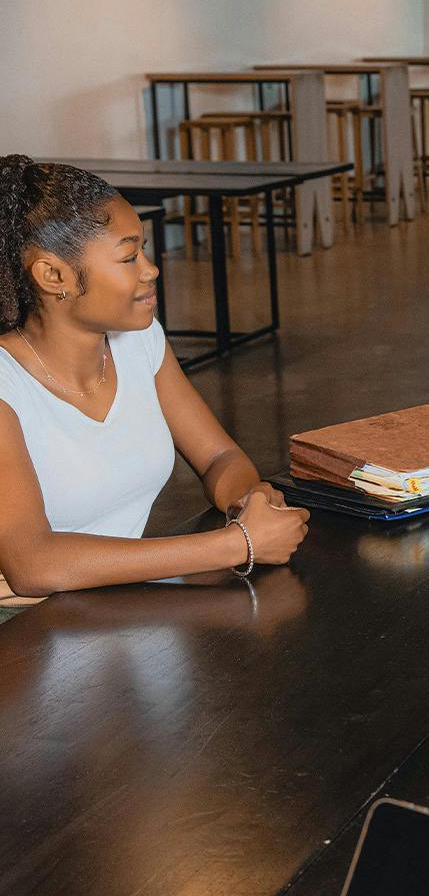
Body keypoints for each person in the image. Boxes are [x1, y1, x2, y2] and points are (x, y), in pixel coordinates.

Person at [0, 156, 308, 614]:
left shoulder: (139, 342)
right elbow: (34, 566)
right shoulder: (8, 387)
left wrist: (250, 500)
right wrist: (237, 544)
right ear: (53, 276)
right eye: (129, 257)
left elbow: (219, 457)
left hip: (103, 609)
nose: (151, 269)